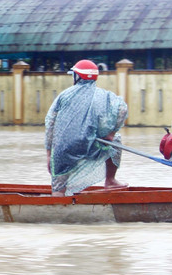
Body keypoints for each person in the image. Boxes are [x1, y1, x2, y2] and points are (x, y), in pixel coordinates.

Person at [45, 59, 129, 196]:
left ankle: (58, 197)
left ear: (77, 76)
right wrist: (111, 133)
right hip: (91, 146)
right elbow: (122, 109)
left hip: (64, 151)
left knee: (59, 189)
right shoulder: (104, 96)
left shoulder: (64, 95)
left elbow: (50, 124)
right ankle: (110, 180)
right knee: (116, 140)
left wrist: (49, 154)